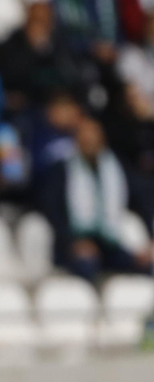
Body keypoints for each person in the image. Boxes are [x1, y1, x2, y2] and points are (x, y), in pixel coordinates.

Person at [42, 114, 153, 279]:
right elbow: (53, 212)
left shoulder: (117, 167)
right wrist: (72, 242)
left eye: (94, 135)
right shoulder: (62, 170)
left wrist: (150, 238)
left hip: (110, 241)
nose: (90, 140)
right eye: (84, 135)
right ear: (76, 139)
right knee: (86, 265)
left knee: (145, 266)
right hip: (74, 243)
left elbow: (141, 199)